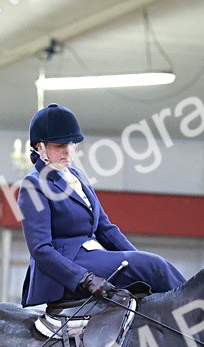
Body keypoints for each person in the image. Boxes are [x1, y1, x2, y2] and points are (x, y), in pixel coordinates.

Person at [17, 103, 186, 306]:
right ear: (40, 147)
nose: (68, 152)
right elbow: (40, 249)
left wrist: (137, 257)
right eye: (60, 146)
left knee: (152, 265)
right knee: (154, 266)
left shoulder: (77, 175)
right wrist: (83, 278)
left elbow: (105, 229)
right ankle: (198, 307)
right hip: (67, 268)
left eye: (72, 144)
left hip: (93, 255)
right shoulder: (34, 184)